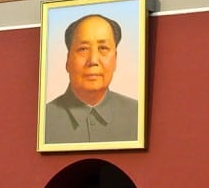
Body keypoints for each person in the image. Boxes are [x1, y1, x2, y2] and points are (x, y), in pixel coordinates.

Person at [43, 14, 139, 144]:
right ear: (67, 61)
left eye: (103, 48)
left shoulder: (137, 114)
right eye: (83, 49)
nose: (93, 60)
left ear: (115, 59)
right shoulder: (44, 118)